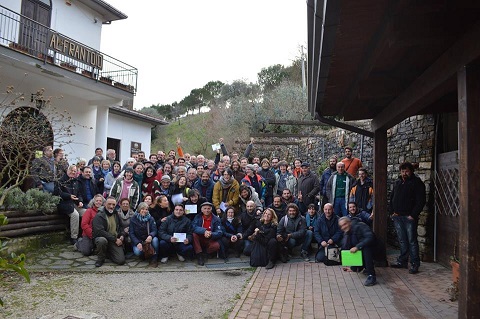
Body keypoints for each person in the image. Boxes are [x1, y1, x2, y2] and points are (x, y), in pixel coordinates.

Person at [389, 162, 426, 274]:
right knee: (402, 240)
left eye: (407, 171)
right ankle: (402, 261)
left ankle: (415, 263)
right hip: (397, 217)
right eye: (403, 171)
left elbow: (421, 201)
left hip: (409, 217)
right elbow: (392, 198)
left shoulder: (417, 183)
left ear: (411, 171)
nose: (404, 173)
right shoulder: (398, 182)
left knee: (412, 241)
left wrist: (413, 215)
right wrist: (392, 212)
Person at [339, 216, 377, 286]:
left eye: (345, 224)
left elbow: (370, 237)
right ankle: (361, 268)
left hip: (376, 249)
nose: (343, 227)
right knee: (353, 248)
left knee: (365, 248)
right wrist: (353, 268)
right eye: (341, 226)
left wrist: (357, 247)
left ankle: (371, 276)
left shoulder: (360, 226)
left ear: (349, 222)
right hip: (366, 249)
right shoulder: (347, 234)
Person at [92, 196, 126, 267]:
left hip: (114, 240)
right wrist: (115, 239)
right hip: (104, 238)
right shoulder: (99, 216)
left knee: (121, 261)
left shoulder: (116, 214)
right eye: (109, 204)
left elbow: (122, 226)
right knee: (102, 240)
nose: (111, 206)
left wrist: (122, 235)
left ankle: (107, 252)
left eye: (113, 205)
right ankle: (100, 258)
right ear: (105, 204)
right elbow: (100, 232)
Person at [55, 164, 82, 244]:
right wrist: (69, 196)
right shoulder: (60, 181)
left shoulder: (76, 181)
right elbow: (57, 193)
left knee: (86, 212)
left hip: (75, 203)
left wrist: (80, 201)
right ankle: (74, 237)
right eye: (71, 170)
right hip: (64, 204)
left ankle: (84, 235)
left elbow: (79, 193)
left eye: (74, 171)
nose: (73, 172)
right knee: (75, 215)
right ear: (67, 170)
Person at [129, 202, 159, 267]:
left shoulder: (150, 218)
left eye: (146, 209)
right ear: (139, 209)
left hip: (148, 240)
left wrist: (151, 235)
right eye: (142, 209)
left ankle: (154, 257)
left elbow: (154, 230)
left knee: (155, 240)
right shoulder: (133, 219)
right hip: (138, 240)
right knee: (138, 252)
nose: (144, 211)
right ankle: (144, 255)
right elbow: (131, 233)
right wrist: (137, 243)